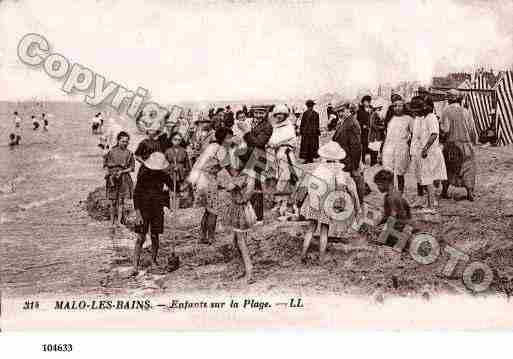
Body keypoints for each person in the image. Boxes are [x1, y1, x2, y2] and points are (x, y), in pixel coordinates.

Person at [300, 141, 360, 264]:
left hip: (313, 200)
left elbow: (309, 184)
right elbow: (342, 189)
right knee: (324, 230)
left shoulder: (319, 167)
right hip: (326, 202)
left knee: (311, 228)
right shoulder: (338, 171)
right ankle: (322, 257)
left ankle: (303, 253)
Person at [187, 127, 237, 244]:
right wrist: (239, 178)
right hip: (208, 179)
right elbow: (229, 169)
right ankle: (211, 237)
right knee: (213, 210)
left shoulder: (212, 146)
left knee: (208, 210)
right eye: (229, 138)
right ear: (223, 139)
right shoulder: (220, 149)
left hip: (200, 178)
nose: (231, 140)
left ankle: (202, 236)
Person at [132, 152, 172, 276]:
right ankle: (135, 265)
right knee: (141, 237)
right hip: (144, 209)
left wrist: (176, 176)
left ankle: (153, 261)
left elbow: (174, 186)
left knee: (155, 236)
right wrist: (138, 213)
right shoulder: (143, 174)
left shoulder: (163, 175)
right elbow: (136, 194)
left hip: (157, 208)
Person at [410, 96, 447, 213]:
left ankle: (431, 206)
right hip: (423, 152)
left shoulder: (431, 118)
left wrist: (425, 148)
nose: (415, 113)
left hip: (429, 153)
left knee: (428, 179)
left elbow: (434, 134)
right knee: (425, 179)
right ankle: (429, 202)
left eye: (416, 110)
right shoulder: (423, 118)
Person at [440, 90, 477, 201]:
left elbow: (445, 129)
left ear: (450, 99)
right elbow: (471, 129)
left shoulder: (445, 111)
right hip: (466, 145)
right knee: (468, 167)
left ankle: (444, 191)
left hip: (451, 145)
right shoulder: (466, 111)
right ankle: (470, 192)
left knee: (448, 168)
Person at [240, 105, 273, 225]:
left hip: (258, 157)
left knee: (257, 187)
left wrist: (247, 133)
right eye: (257, 113)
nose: (258, 115)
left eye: (261, 113)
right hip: (249, 156)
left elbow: (259, 142)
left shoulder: (267, 126)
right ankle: (251, 215)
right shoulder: (252, 123)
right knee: (249, 186)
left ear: (266, 114)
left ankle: (259, 217)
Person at [267, 104, 299, 216]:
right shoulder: (275, 126)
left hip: (286, 155)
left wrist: (281, 144)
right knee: (278, 178)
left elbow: (293, 141)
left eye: (281, 114)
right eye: (277, 114)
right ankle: (279, 202)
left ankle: (287, 202)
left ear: (285, 114)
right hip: (276, 155)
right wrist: (271, 144)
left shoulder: (289, 126)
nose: (279, 116)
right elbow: (271, 139)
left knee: (287, 178)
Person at [332, 103, 365, 205]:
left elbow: (356, 146)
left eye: (342, 111)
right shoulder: (342, 122)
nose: (340, 114)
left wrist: (354, 164)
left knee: (356, 181)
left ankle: (360, 204)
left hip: (351, 159)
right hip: (344, 158)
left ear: (348, 110)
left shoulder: (352, 123)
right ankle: (354, 204)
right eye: (338, 112)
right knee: (349, 184)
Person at [103, 131, 135, 228]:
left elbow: (132, 168)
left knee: (121, 201)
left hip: (124, 178)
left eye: (126, 142)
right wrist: (109, 174)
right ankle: (111, 221)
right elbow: (105, 165)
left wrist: (123, 171)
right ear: (118, 141)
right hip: (112, 178)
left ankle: (119, 222)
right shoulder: (111, 152)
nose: (124, 143)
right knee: (113, 201)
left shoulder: (129, 153)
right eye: (123, 141)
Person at [381, 95, 412, 193]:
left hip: (401, 147)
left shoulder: (408, 119)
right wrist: (381, 150)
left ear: (403, 107)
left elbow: (414, 134)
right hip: (389, 147)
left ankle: (400, 193)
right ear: (392, 107)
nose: (397, 108)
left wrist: (409, 143)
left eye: (400, 106)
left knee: (400, 171)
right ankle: (391, 192)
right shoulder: (390, 118)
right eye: (395, 106)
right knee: (388, 171)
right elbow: (386, 135)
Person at [374, 169, 412, 247]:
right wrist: (378, 224)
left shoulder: (391, 197)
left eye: (379, 184)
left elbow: (392, 218)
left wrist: (381, 237)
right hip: (404, 225)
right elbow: (387, 216)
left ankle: (402, 240)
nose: (377, 187)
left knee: (375, 233)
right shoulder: (395, 193)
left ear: (386, 183)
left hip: (402, 228)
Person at [299, 99, 320, 163]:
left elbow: (302, 124)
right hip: (313, 133)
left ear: (307, 106)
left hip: (306, 133)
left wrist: (301, 131)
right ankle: (311, 158)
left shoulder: (305, 113)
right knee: (312, 145)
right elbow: (317, 124)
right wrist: (316, 131)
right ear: (312, 106)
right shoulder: (316, 114)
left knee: (306, 145)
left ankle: (307, 159)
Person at [357, 95, 374, 165]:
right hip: (364, 131)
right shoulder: (360, 110)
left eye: (368, 101)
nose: (367, 103)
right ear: (363, 102)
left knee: (372, 145)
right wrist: (362, 125)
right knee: (364, 145)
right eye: (366, 101)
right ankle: (363, 159)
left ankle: (373, 161)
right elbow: (358, 120)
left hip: (371, 130)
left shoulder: (372, 109)